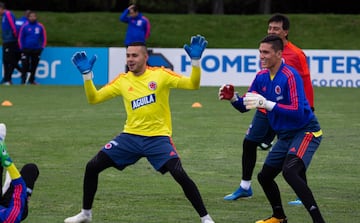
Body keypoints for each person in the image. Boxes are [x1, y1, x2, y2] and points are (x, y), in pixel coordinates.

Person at [64, 35, 215, 223]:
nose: (130, 59)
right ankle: (86, 214)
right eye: (128, 55)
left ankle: (206, 218)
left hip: (158, 138)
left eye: (134, 55)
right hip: (130, 137)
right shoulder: (122, 80)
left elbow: (193, 84)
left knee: (178, 173)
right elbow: (94, 98)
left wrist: (195, 61)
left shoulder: (161, 75)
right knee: (92, 166)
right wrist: (87, 76)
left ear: (145, 58)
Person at [220, 35, 326, 223]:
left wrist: (267, 103)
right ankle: (279, 217)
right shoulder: (261, 76)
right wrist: (233, 99)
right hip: (285, 136)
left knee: (290, 171)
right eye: (260, 52)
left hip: (306, 131)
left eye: (266, 52)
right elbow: (246, 105)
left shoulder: (290, 76)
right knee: (265, 177)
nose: (262, 56)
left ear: (278, 53)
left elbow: (297, 112)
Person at [0, 123, 40, 222]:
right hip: (10, 206)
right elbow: (20, 186)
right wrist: (7, 162)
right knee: (31, 169)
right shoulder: (10, 218)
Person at [18, 10, 47, 85]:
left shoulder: (40, 26)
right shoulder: (25, 26)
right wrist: (21, 47)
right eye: (31, 16)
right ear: (28, 17)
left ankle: (31, 80)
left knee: (34, 65)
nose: (32, 18)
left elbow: (43, 37)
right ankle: (23, 80)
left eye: (34, 16)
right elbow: (20, 38)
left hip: (36, 49)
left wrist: (42, 47)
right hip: (26, 49)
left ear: (36, 17)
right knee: (25, 65)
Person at [0, 2, 18, 85]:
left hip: (10, 40)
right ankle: (6, 78)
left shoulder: (8, 14)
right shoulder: (3, 16)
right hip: (6, 40)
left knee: (9, 60)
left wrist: (14, 35)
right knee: (5, 60)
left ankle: (8, 78)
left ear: (1, 8)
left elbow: (13, 25)